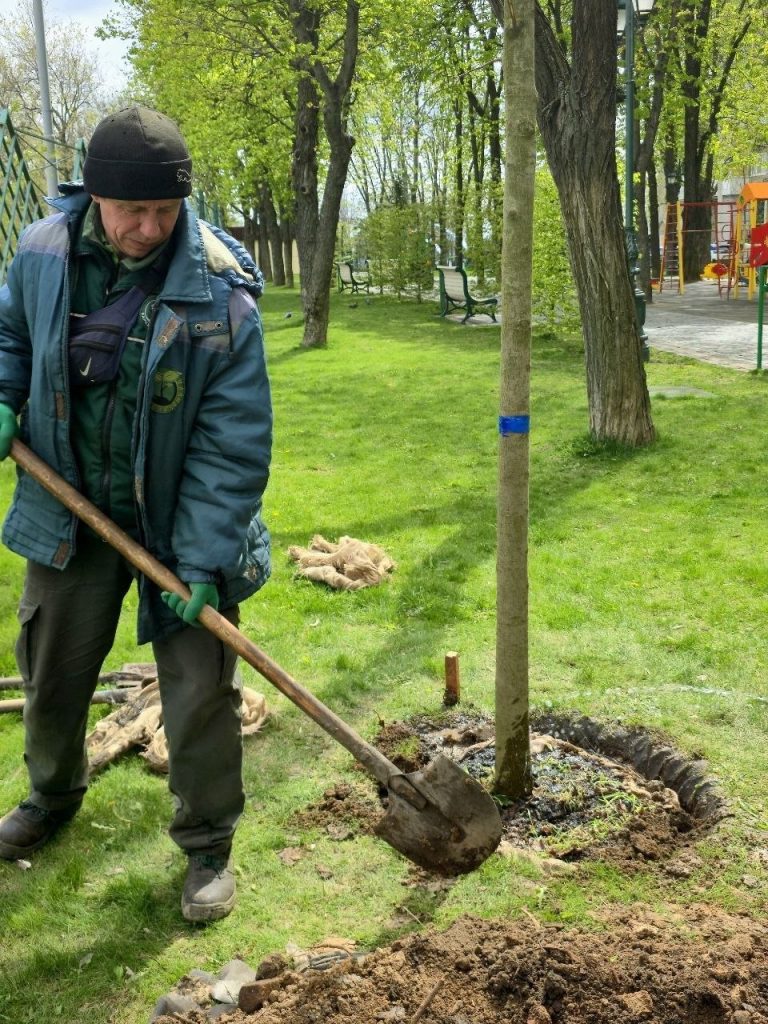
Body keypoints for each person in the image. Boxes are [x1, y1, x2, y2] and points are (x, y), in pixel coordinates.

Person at [0, 106, 272, 923]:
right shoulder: (42, 251)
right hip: (68, 503)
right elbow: (9, 333)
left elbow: (232, 446)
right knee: (52, 670)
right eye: (132, 212)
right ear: (95, 198)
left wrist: (200, 558)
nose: (149, 229)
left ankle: (208, 844)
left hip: (180, 522)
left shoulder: (220, 293)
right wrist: (4, 394)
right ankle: (51, 797)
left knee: (196, 694)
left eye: (165, 212)